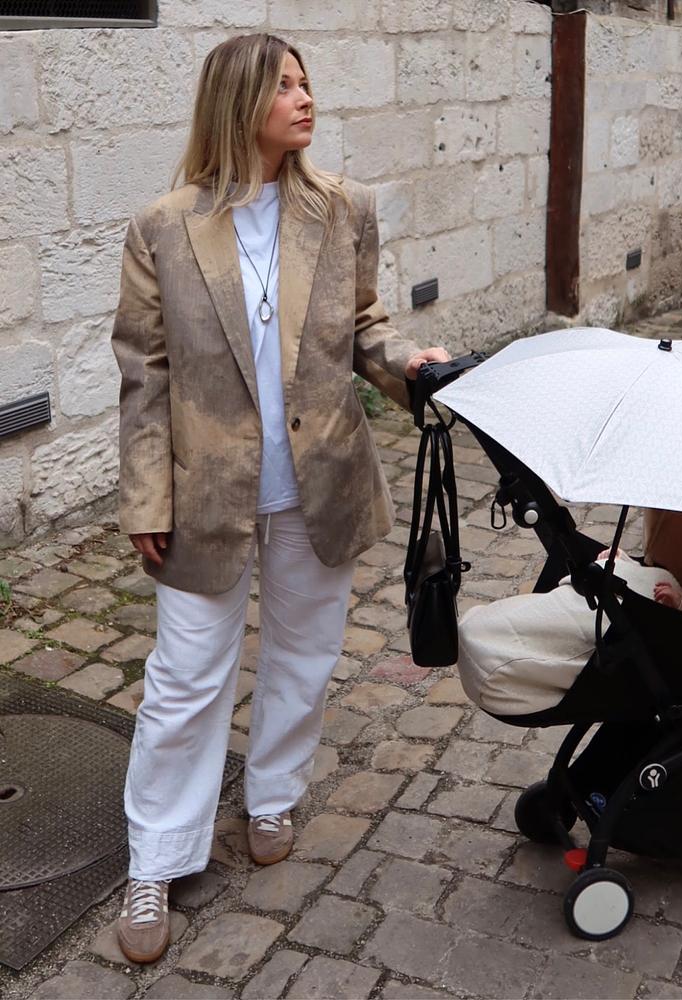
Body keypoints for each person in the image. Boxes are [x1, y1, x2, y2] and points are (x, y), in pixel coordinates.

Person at [110, 33, 448, 964]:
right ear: (238, 102)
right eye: (285, 86)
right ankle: (157, 857)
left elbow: (364, 327)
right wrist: (145, 495)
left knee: (303, 654)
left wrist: (410, 364)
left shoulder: (343, 208)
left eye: (307, 83)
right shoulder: (162, 226)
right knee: (185, 679)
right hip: (204, 490)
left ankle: (271, 796)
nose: (305, 99)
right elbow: (145, 372)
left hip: (319, 477)